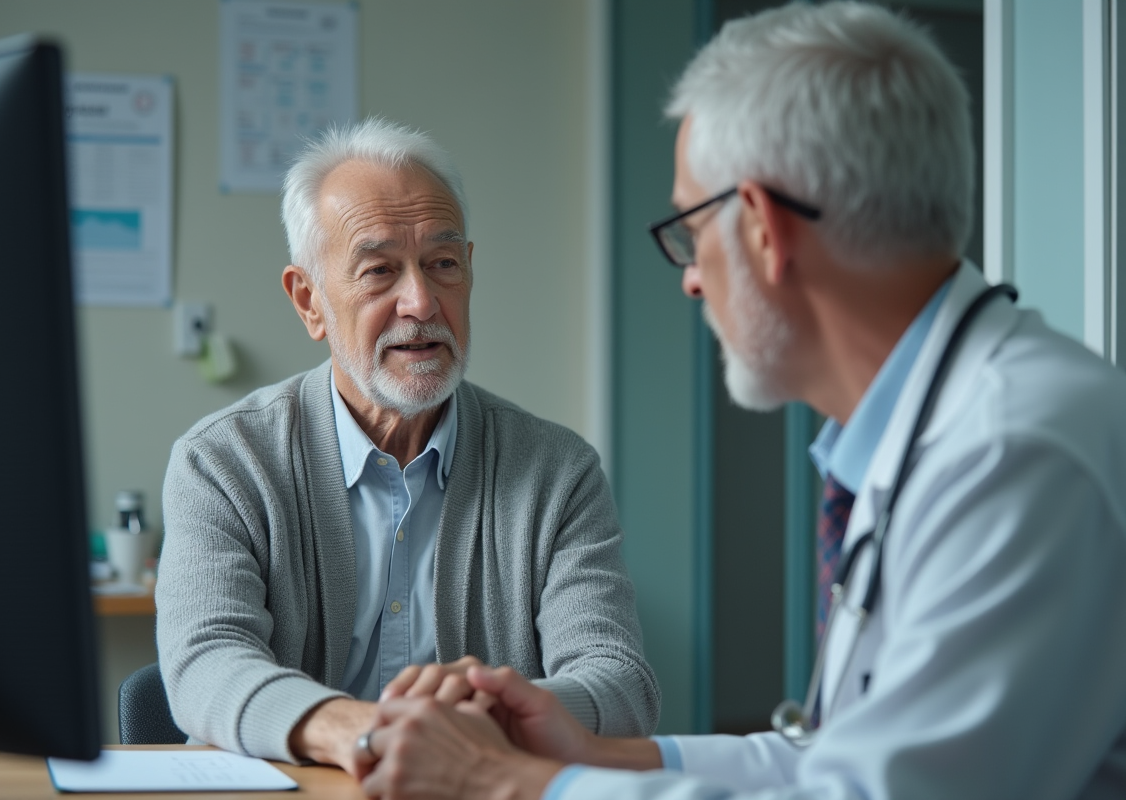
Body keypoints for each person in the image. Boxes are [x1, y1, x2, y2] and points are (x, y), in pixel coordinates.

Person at [353, 3, 1126, 798]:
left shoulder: (1012, 453)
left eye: (691, 228)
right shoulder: (940, 430)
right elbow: (844, 757)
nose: (690, 276)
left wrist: (500, 782)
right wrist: (591, 751)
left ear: (760, 227)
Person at [154, 118, 659, 774]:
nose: (420, 301)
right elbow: (205, 666)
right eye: (379, 270)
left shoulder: (557, 471)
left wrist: (465, 727)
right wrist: (365, 735)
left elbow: (620, 682)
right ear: (309, 301)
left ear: (469, 274)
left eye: (442, 265)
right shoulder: (222, 463)